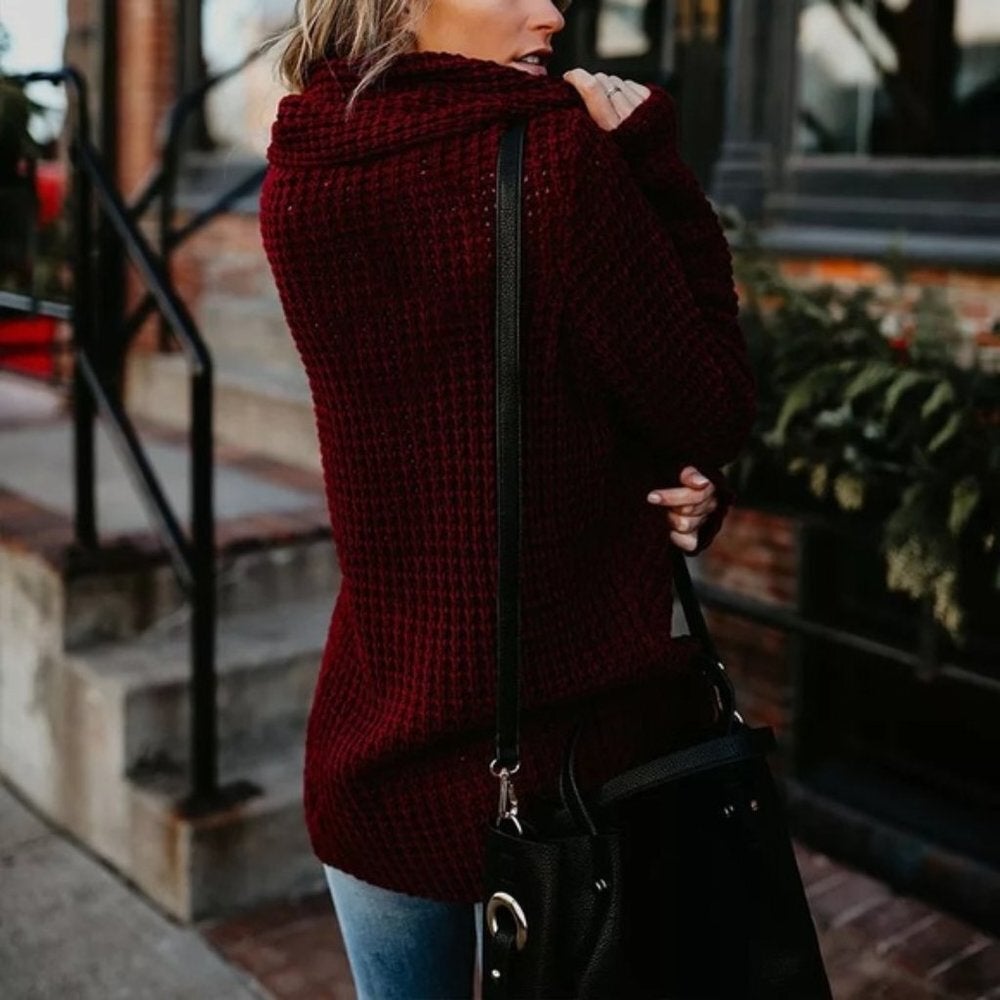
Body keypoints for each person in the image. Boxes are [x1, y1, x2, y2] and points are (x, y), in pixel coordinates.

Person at [260, 0, 756, 993]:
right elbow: (711, 403)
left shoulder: (302, 171)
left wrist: (660, 486)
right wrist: (651, 160)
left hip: (375, 757)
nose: (553, 12)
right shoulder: (561, 164)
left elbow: (481, 411)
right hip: (572, 779)